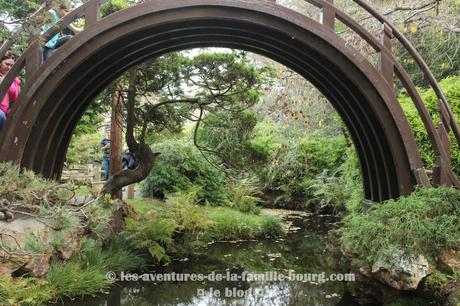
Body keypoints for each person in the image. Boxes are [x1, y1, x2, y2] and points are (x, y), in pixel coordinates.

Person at [0, 51, 21, 130]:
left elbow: (15, 101)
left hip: (5, 112)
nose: (9, 67)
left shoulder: (15, 81)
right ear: (0, 63)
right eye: (7, 64)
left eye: (11, 66)